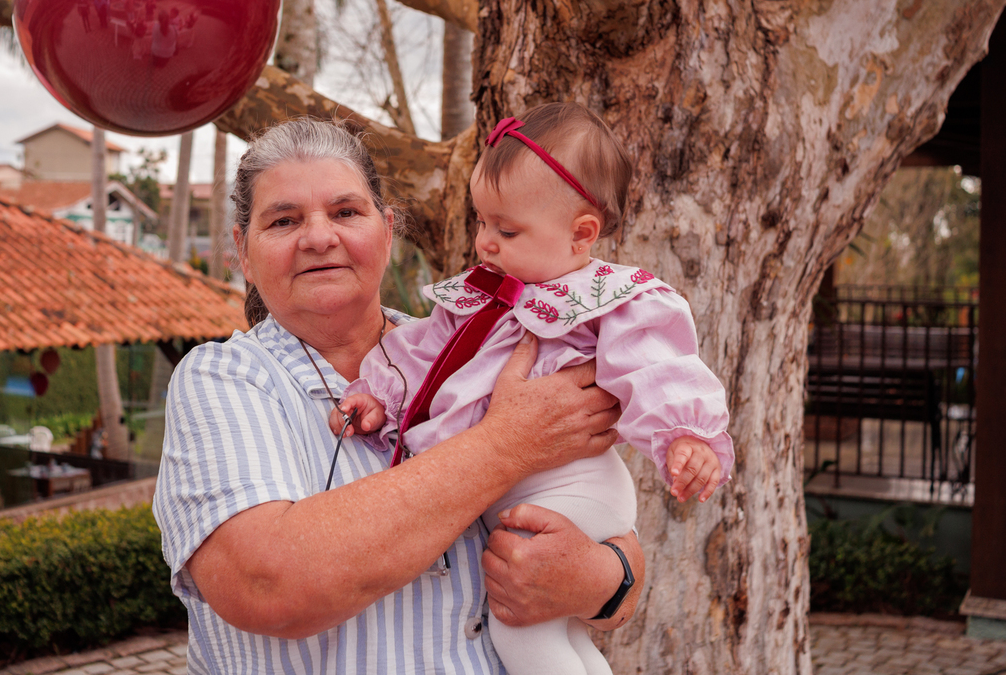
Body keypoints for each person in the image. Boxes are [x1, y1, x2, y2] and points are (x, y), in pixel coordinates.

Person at [153, 118, 645, 675]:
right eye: (284, 220)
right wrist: (507, 444)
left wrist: (603, 578)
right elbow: (265, 584)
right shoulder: (224, 379)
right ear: (244, 250)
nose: (319, 237)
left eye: (345, 212)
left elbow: (609, 539)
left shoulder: (477, 347)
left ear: (387, 232)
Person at [333, 103, 734, 675]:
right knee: (561, 640)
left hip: (570, 484)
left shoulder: (604, 299)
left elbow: (655, 366)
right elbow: (421, 353)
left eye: (507, 229)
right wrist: (377, 392)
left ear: (581, 234)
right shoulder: (479, 297)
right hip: (522, 489)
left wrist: (685, 434)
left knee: (520, 631)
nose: (485, 243)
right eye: (481, 223)